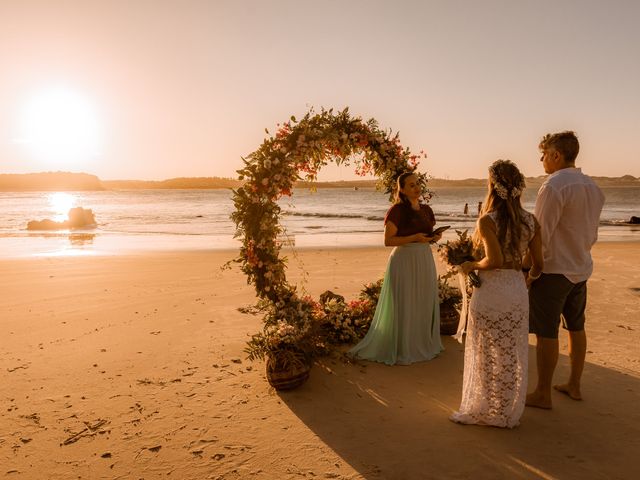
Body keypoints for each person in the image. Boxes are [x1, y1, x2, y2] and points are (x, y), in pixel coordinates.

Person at [450, 160, 543, 428]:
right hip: (515, 289)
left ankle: (486, 406)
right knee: (511, 349)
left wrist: (471, 264)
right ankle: (505, 408)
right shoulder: (531, 220)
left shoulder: (487, 221)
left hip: (491, 290)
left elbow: (493, 260)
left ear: (493, 186)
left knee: (486, 348)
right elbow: (539, 263)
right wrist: (528, 280)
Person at [526, 131, 605, 409]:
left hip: (555, 270)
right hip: (581, 267)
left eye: (544, 154)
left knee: (547, 331)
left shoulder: (554, 186)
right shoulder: (592, 187)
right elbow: (591, 232)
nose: (542, 160)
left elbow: (540, 234)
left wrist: (531, 270)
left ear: (556, 155)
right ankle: (574, 384)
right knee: (576, 326)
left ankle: (543, 393)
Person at [349, 172, 444, 365]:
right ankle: (403, 347)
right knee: (405, 301)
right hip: (404, 260)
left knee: (422, 300)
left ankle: (420, 342)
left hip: (424, 259)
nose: (416, 188)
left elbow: (426, 234)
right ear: (401, 189)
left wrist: (434, 238)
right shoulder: (397, 211)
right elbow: (388, 241)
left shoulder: (426, 210)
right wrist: (414, 238)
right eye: (411, 185)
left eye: (418, 184)